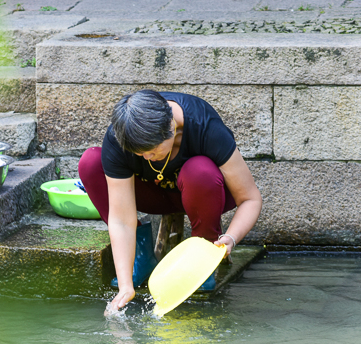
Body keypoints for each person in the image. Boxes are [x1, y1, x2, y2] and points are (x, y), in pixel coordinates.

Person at [78, 89, 262, 315]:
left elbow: (251, 199)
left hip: (204, 191)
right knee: (91, 162)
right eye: (139, 154)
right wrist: (126, 286)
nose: (146, 158)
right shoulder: (121, 136)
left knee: (200, 171)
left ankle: (201, 258)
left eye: (151, 151)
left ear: (171, 128)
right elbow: (121, 220)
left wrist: (231, 239)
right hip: (154, 194)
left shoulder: (204, 125)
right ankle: (141, 256)